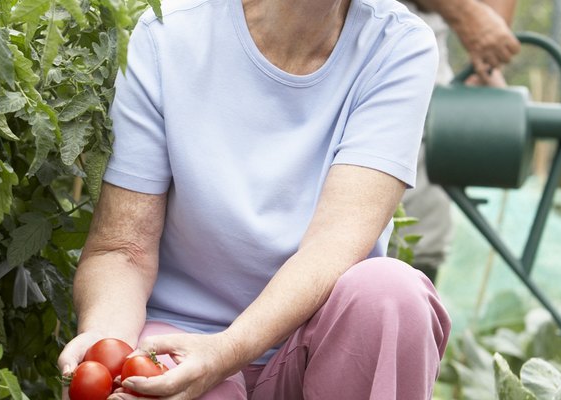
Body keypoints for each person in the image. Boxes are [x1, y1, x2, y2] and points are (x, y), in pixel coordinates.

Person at [57, 0, 451, 398]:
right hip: (175, 343)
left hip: (318, 347)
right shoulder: (168, 33)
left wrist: (226, 352)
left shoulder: (397, 44)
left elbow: (334, 244)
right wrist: (107, 351)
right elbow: (123, 249)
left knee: (391, 295)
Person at [393, 0, 520, 283]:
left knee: (422, 230)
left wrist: (487, 54)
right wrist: (464, 12)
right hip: (329, 28)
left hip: (421, 38)